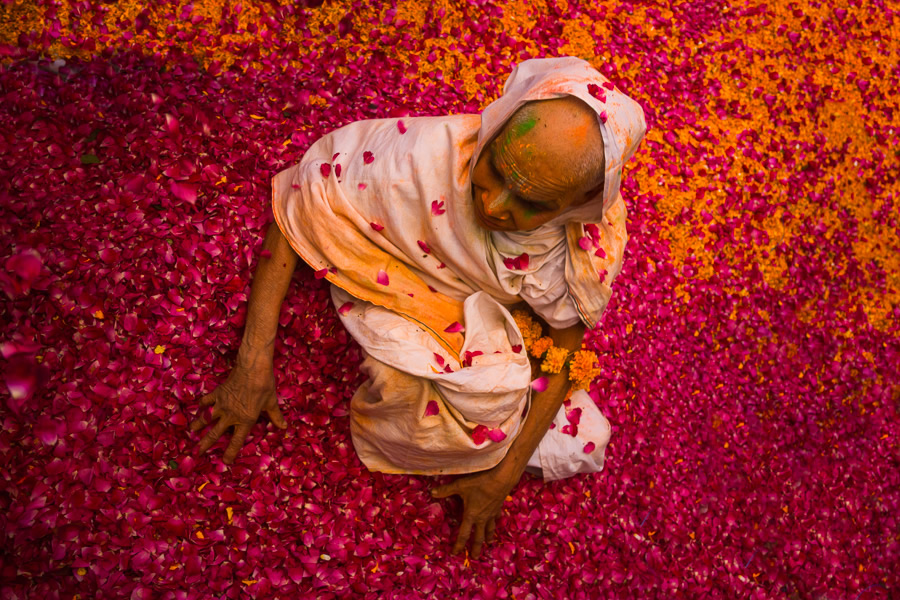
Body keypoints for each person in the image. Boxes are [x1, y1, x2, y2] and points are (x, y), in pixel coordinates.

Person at [189, 57, 646, 558]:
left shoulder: (580, 252)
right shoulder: (421, 159)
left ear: (577, 206)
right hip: (397, 280)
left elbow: (562, 358)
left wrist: (502, 478)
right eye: (495, 170)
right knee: (414, 385)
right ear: (494, 128)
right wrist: (252, 364)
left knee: (512, 408)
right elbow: (308, 199)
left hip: (484, 317)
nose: (494, 207)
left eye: (531, 203)